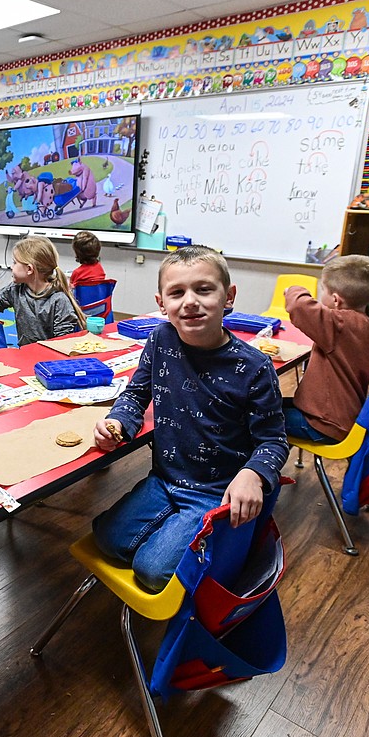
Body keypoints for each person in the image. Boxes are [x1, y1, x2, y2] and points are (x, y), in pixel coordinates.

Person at [90, 246, 289, 592]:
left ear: (229, 297)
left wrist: (253, 474)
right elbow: (136, 394)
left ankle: (220, 549)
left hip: (216, 492)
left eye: (204, 289)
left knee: (151, 571)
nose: (190, 301)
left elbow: (273, 440)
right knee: (105, 539)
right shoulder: (160, 338)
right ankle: (181, 535)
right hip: (165, 479)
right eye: (177, 293)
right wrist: (118, 422)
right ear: (162, 303)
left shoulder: (255, 367)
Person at [283, 255, 369, 442]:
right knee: (263, 405)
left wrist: (292, 289)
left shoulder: (339, 325)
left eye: (323, 290)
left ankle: (255, 466)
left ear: (335, 300)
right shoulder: (363, 323)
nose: (321, 295)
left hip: (324, 424)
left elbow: (297, 305)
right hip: (340, 417)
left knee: (252, 416)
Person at [0, 235, 86, 346]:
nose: (11, 267)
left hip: (50, 361)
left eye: (14, 263)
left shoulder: (58, 300)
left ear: (29, 269)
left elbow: (62, 342)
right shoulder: (15, 290)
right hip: (25, 355)